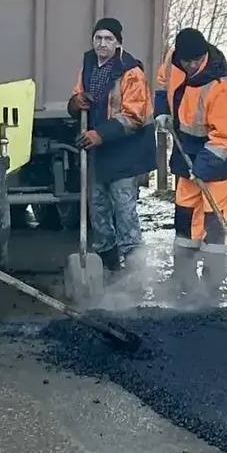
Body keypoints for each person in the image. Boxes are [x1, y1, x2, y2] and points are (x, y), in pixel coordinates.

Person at [155, 27, 227, 296]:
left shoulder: (221, 87)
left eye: (196, 61)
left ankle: (211, 285)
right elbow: (162, 83)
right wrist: (161, 110)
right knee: (184, 215)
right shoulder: (173, 60)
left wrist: (202, 168)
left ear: (205, 55)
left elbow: (224, 138)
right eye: (187, 61)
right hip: (186, 152)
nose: (191, 66)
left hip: (216, 162)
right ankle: (183, 277)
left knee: (213, 223)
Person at [68, 17, 156, 272]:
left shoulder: (131, 72)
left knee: (125, 210)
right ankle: (108, 267)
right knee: (98, 210)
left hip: (126, 152)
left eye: (108, 39)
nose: (102, 43)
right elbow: (77, 95)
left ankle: (135, 271)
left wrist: (100, 134)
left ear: (118, 43)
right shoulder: (88, 66)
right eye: (98, 38)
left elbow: (134, 116)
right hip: (98, 152)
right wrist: (75, 103)